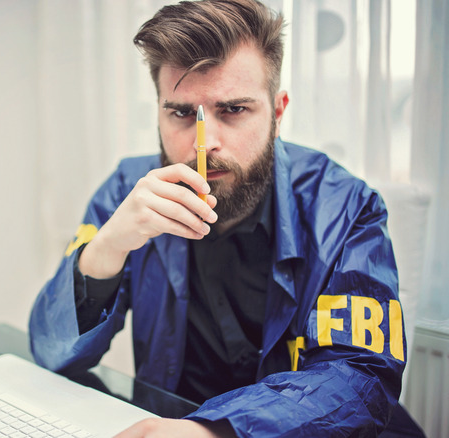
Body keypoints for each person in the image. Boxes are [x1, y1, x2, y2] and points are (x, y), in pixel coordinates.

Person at [29, 0, 406, 436]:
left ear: (278, 112)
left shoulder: (345, 208)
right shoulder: (126, 191)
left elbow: (359, 378)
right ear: (158, 111)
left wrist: (213, 431)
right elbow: (50, 350)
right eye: (182, 113)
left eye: (233, 109)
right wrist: (108, 247)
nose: (205, 144)